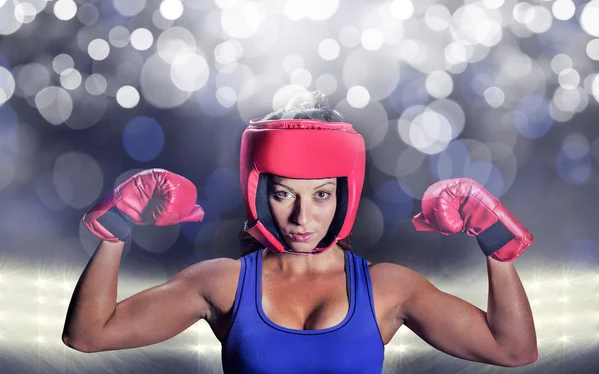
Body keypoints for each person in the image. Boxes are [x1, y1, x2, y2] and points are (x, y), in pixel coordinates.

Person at [62, 91, 538, 373]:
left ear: (345, 196)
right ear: (258, 190)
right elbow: (88, 335)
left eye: (322, 195)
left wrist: (495, 241)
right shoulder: (223, 283)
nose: (302, 218)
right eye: (284, 193)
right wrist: (115, 225)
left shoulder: (387, 288)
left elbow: (513, 349)